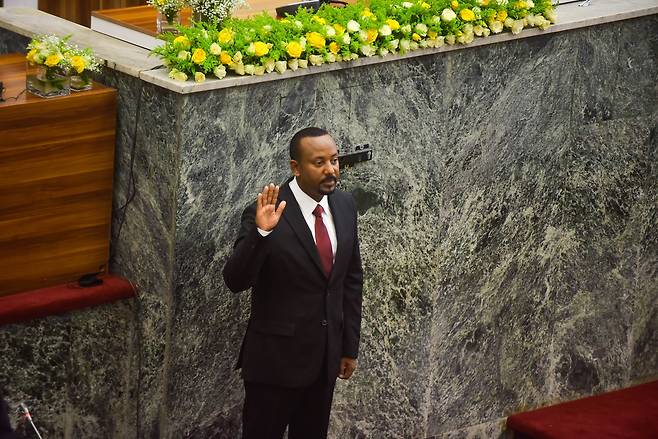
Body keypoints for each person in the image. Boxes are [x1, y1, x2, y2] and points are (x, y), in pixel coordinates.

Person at [223, 127, 364, 439]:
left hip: (324, 362)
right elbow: (235, 280)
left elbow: (351, 281)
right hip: (275, 366)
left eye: (335, 161)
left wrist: (348, 347)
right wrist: (261, 234)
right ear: (295, 167)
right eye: (319, 163)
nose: (331, 170)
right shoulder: (268, 210)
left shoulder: (344, 205)